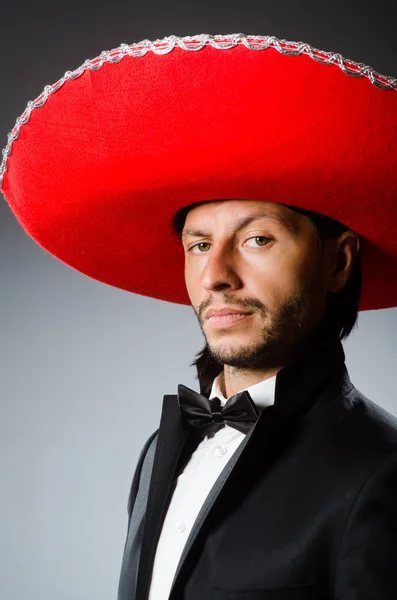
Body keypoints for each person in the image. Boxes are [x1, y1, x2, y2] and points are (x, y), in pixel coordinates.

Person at [1, 33, 397, 600]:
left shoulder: (381, 471)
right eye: (198, 245)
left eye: (257, 239)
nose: (216, 276)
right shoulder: (160, 449)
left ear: (337, 262)